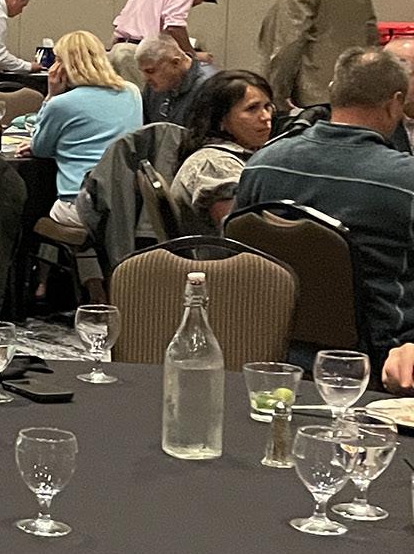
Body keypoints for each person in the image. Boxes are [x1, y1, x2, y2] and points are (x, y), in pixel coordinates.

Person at [239, 49, 414, 356]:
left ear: (333, 93)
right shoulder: (406, 182)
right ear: (395, 103)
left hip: (270, 350)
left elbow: (238, 261)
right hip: (383, 359)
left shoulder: (260, 165)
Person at [27, 32, 142, 228]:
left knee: (32, 210)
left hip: (81, 204)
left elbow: (40, 149)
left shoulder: (61, 104)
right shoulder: (132, 92)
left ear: (64, 66)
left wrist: (51, 96)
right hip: (127, 204)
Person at [170, 70, 274, 224]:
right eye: (252, 108)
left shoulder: (247, 153)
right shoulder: (214, 164)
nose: (266, 117)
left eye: (267, 106)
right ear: (221, 120)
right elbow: (239, 229)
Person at [112, 0, 220, 49]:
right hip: (140, 51)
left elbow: (121, 21)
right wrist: (191, 54)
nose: (200, 3)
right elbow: (174, 27)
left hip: (118, 47)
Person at [138, 34, 217, 126]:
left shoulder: (208, 87)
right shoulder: (154, 86)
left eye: (150, 71)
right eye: (142, 71)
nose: (145, 79)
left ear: (176, 63)